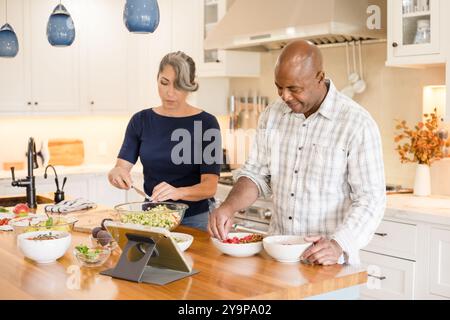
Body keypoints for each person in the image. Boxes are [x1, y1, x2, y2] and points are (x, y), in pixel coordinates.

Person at [208, 40, 386, 265]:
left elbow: (371, 199)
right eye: (279, 87)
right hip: (277, 257)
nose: (285, 96)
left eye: (294, 88)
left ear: (319, 77)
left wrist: (337, 244)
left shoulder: (356, 123)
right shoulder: (273, 115)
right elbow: (256, 174)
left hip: (326, 261)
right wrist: (228, 207)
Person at [109, 51, 222, 231]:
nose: (170, 93)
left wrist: (178, 193)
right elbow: (120, 167)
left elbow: (210, 186)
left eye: (178, 85)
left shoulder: (207, 123)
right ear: (157, 79)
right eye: (164, 83)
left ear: (190, 85)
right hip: (152, 217)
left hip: (194, 220)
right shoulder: (141, 120)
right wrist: (116, 174)